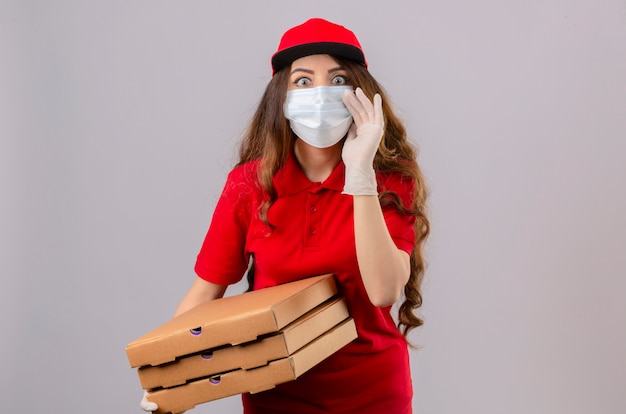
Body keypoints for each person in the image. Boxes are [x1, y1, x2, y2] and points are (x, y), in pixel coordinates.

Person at [141, 17, 429, 414]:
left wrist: (360, 173)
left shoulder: (390, 180)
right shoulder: (249, 185)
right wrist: (166, 373)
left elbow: (383, 293)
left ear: (361, 93)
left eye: (339, 80)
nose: (322, 92)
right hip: (276, 395)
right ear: (282, 96)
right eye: (304, 81)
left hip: (374, 394)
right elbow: (205, 293)